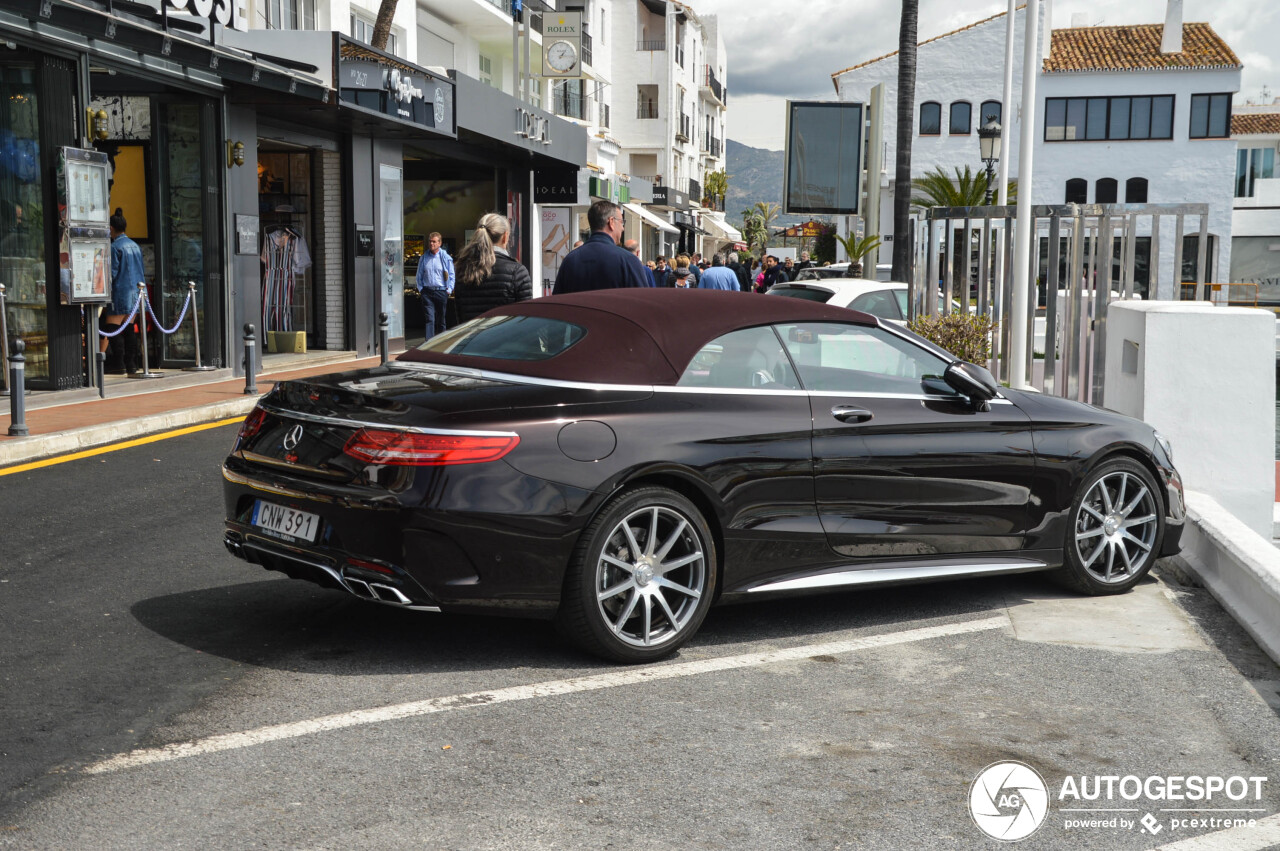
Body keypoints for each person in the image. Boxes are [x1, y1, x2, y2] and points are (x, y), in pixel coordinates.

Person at [552, 200, 651, 294]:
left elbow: (558, 303)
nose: (623, 228)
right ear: (611, 222)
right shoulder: (628, 260)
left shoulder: (570, 260)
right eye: (622, 222)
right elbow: (642, 304)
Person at [452, 213, 532, 324]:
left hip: (471, 338)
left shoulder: (463, 268)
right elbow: (526, 319)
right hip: (506, 339)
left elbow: (459, 315)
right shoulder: (517, 271)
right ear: (505, 237)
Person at [102, 208, 145, 374]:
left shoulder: (115, 247)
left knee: (112, 328)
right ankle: (131, 363)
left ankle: (118, 363)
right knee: (129, 328)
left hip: (121, 291)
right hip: (136, 292)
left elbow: (112, 272)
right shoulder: (135, 246)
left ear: (111, 228)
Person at [415, 231, 455, 338]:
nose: (431, 244)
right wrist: (421, 289)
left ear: (439, 243)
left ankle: (441, 342)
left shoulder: (445, 257)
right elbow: (419, 275)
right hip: (427, 292)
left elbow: (451, 275)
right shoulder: (424, 258)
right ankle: (429, 344)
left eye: (434, 242)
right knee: (430, 319)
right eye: (430, 242)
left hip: (441, 291)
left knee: (441, 319)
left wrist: (449, 290)